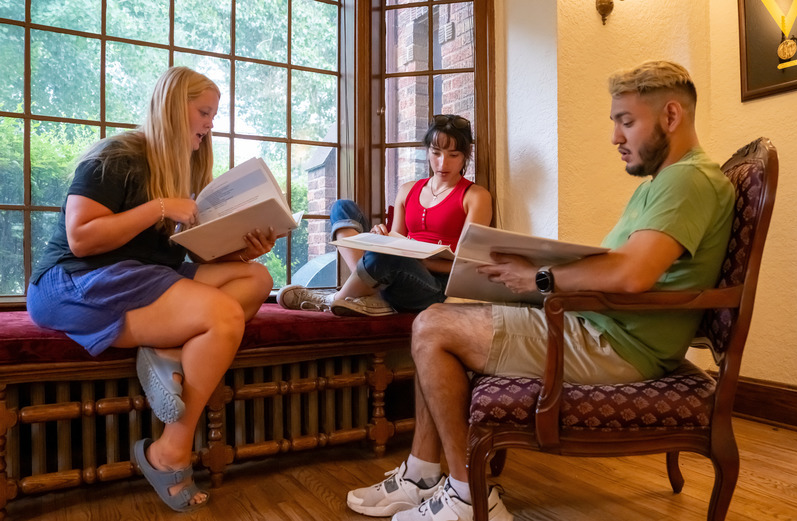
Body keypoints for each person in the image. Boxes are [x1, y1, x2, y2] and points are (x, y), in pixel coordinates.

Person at [345, 60, 735, 521]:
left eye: (626, 121)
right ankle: (423, 474)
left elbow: (632, 275)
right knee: (447, 315)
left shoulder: (689, 179)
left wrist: (539, 278)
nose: (615, 136)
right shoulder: (667, 182)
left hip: (616, 345)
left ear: (671, 116)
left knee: (433, 327)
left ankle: (469, 496)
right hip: (596, 325)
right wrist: (533, 264)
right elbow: (618, 265)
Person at [26, 66, 277, 512]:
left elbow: (190, 255)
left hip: (147, 276)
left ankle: (166, 350)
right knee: (222, 315)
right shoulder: (117, 155)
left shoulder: (186, 168)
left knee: (257, 278)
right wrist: (160, 207)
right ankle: (168, 451)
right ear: (172, 105)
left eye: (214, 115)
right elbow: (81, 236)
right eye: (204, 112)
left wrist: (245, 248)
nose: (209, 124)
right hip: (77, 281)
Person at [276, 114, 493, 316]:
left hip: (433, 286)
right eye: (436, 153)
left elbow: (468, 265)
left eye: (453, 155)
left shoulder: (475, 196)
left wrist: (421, 260)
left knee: (390, 256)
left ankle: (333, 300)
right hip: (397, 269)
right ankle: (370, 291)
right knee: (342, 208)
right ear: (427, 151)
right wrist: (382, 236)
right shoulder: (408, 190)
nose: (442, 163)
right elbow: (396, 240)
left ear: (465, 156)